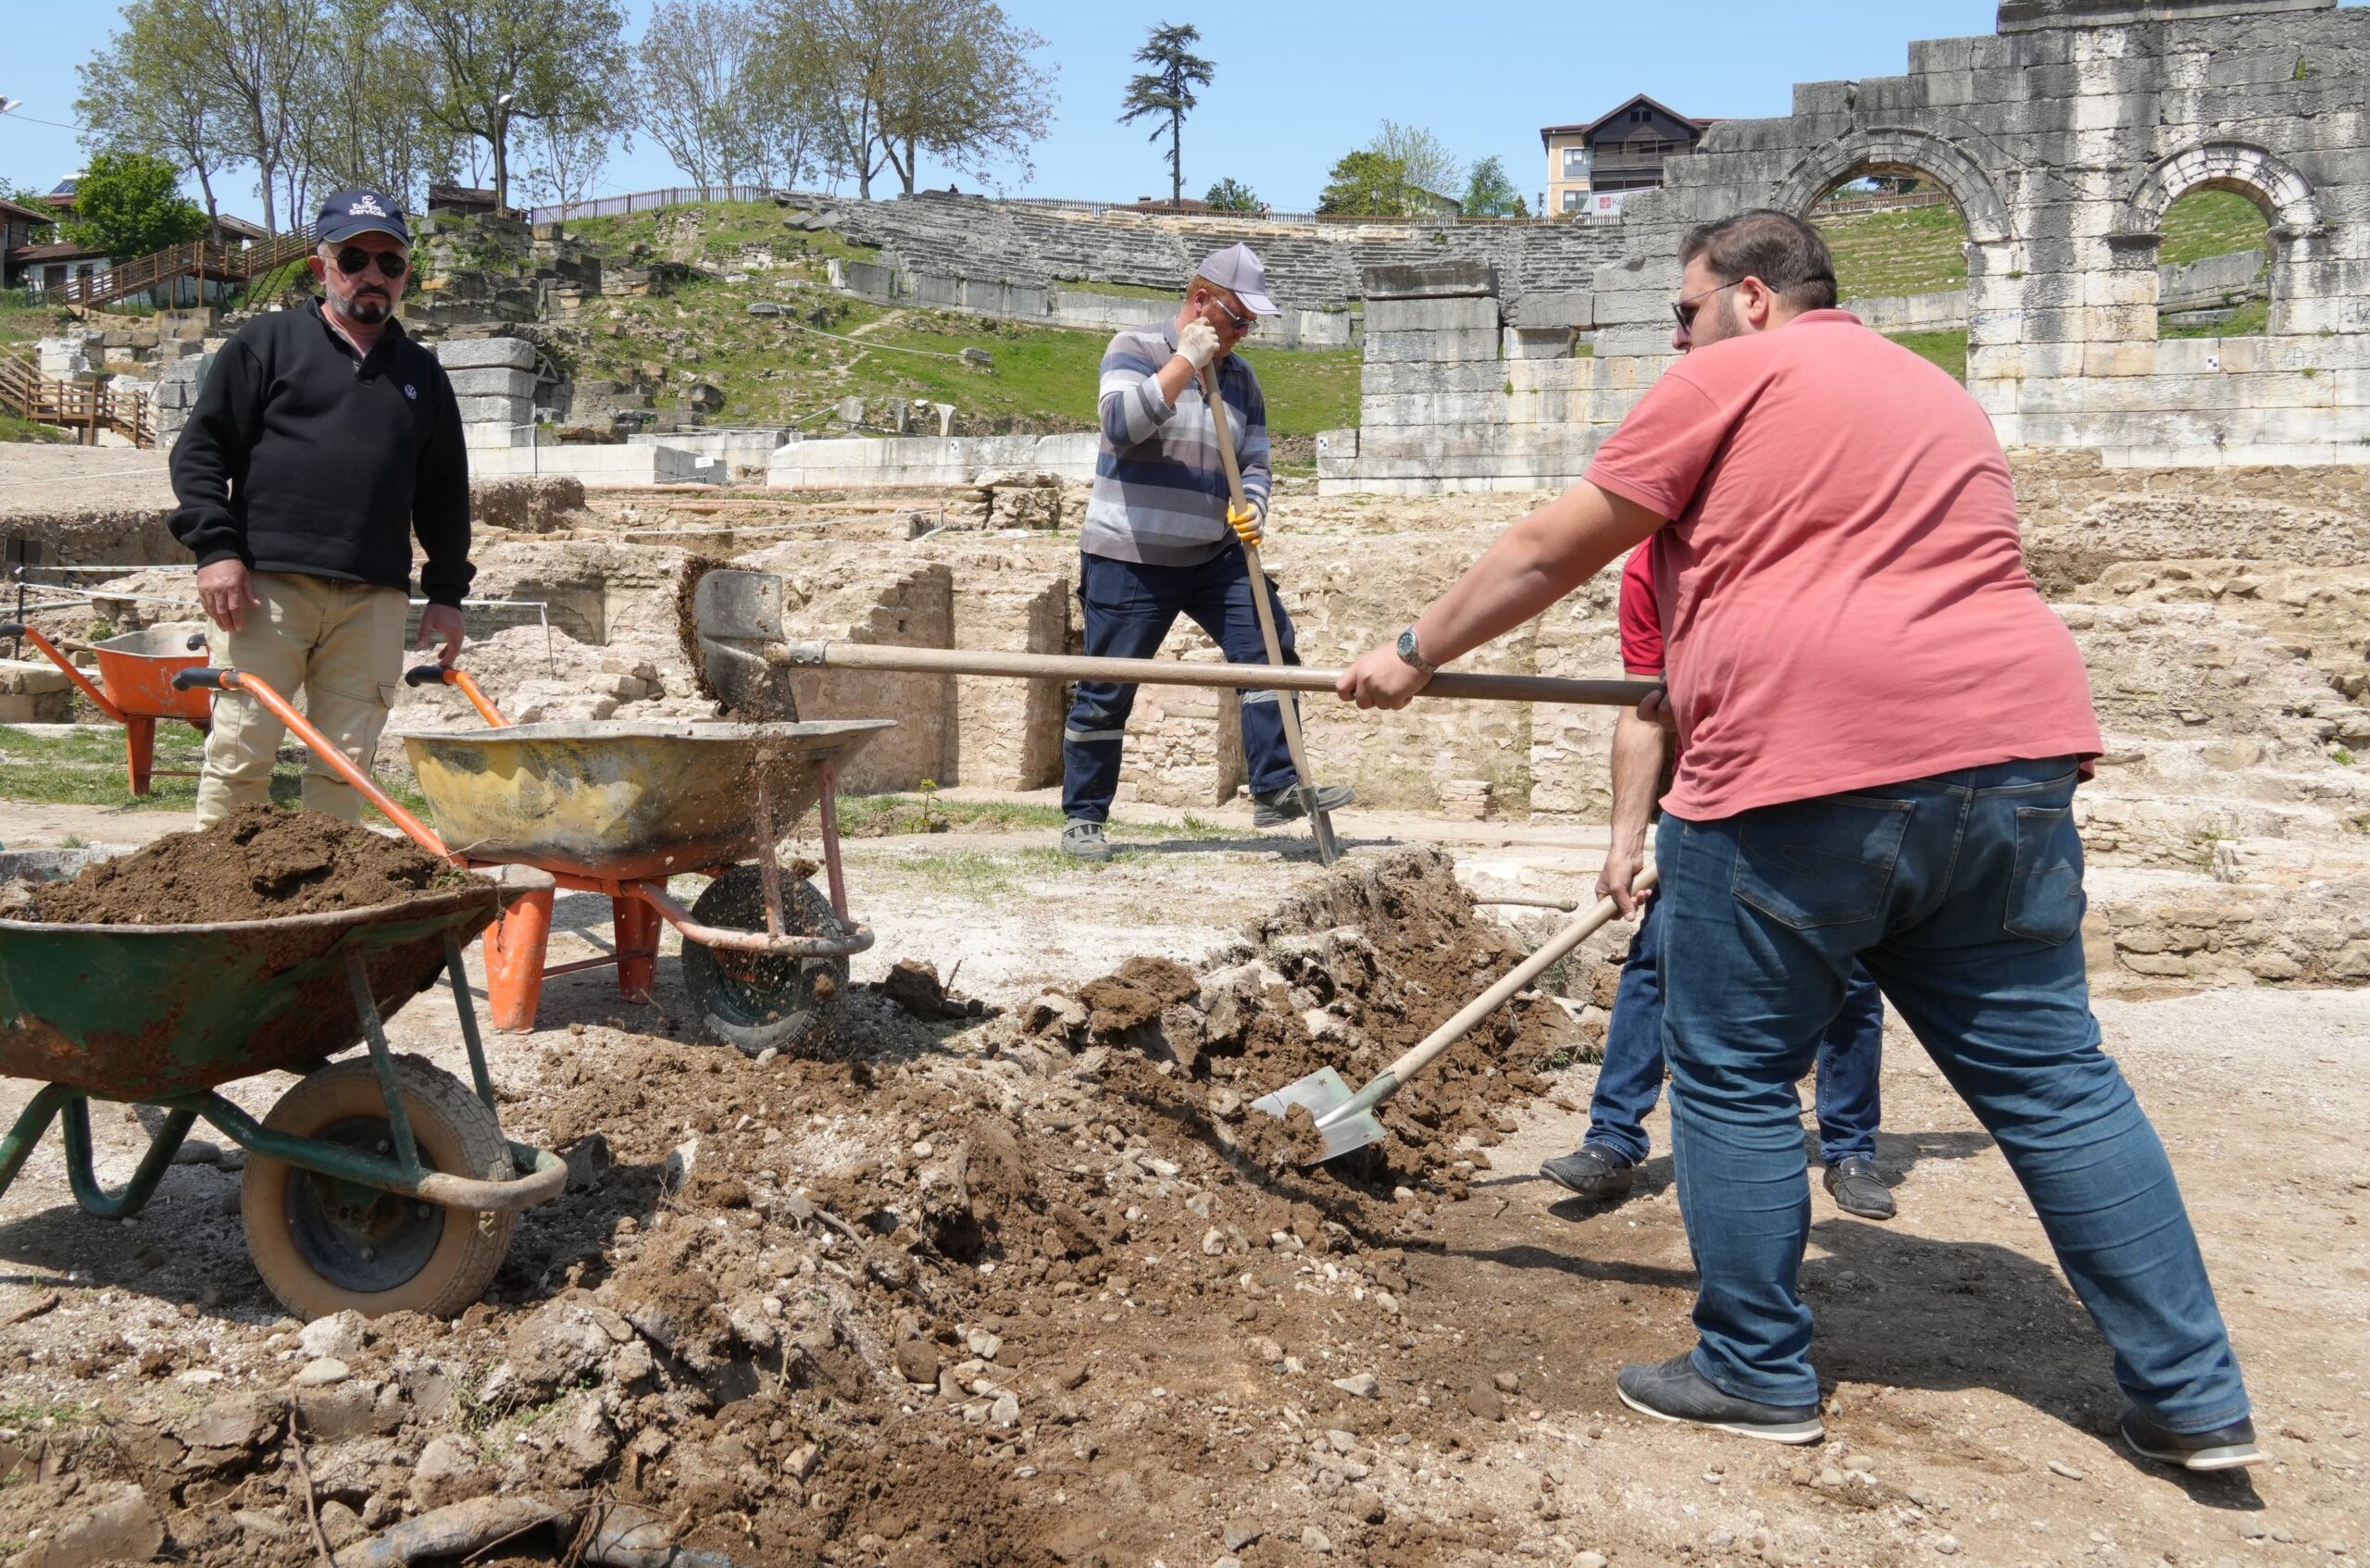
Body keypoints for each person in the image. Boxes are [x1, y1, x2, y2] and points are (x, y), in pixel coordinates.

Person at [1336, 210, 2256, 1471]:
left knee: (1729, 1069)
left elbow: (1555, 545)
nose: (1675, 332)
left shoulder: (1729, 371)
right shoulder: (1938, 394)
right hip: (2016, 755)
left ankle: (1756, 1368)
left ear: (1752, 296)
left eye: (1682, 306)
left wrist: (1410, 652)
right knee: (2057, 1081)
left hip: (1803, 766)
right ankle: (2195, 1395)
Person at [1540, 543, 1895, 1223]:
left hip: (1834, 790)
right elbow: (1645, 711)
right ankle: (1612, 1143)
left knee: (1848, 979)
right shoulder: (1650, 566)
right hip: (1710, 798)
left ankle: (1850, 1149)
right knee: (1654, 962)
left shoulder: (1811, 546)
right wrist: (1625, 846)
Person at [170, 188, 471, 826]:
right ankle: (222, 908)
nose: (373, 275)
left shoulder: (423, 375)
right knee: (241, 753)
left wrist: (447, 590)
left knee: (346, 765)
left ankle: (325, 910)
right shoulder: (266, 343)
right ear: (320, 267)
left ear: (406, 275)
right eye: (355, 257)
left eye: (390, 264)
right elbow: (201, 453)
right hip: (265, 587)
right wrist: (216, 551)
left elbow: (444, 493)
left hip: (373, 600)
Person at [1059, 242, 1352, 860]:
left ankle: (1275, 787)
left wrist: (1254, 508)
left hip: (1217, 557)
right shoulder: (1134, 349)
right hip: (1130, 553)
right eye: (1237, 318)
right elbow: (1120, 426)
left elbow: (1257, 463)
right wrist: (1184, 366)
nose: (1244, 332)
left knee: (1269, 649)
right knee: (1107, 686)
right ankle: (1084, 816)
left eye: (1251, 323)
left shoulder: (1242, 380)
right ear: (1200, 302)